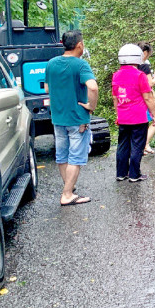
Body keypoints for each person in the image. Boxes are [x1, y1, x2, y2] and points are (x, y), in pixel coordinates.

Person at [44, 30, 98, 206]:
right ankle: (67, 194)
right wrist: (91, 106)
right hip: (77, 119)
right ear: (79, 45)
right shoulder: (80, 65)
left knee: (62, 156)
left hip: (58, 117)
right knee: (75, 157)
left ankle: (69, 188)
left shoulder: (51, 63)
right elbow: (93, 87)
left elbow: (46, 89)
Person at [112, 44, 155, 182]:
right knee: (137, 146)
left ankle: (121, 173)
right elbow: (147, 97)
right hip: (138, 117)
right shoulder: (139, 75)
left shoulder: (116, 75)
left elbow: (115, 97)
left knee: (123, 145)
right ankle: (134, 174)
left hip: (123, 116)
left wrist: (118, 114)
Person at [137, 42, 155, 154]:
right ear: (145, 52)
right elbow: (149, 84)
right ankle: (144, 144)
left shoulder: (133, 65)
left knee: (144, 121)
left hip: (136, 96)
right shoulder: (144, 65)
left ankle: (144, 145)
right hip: (147, 95)